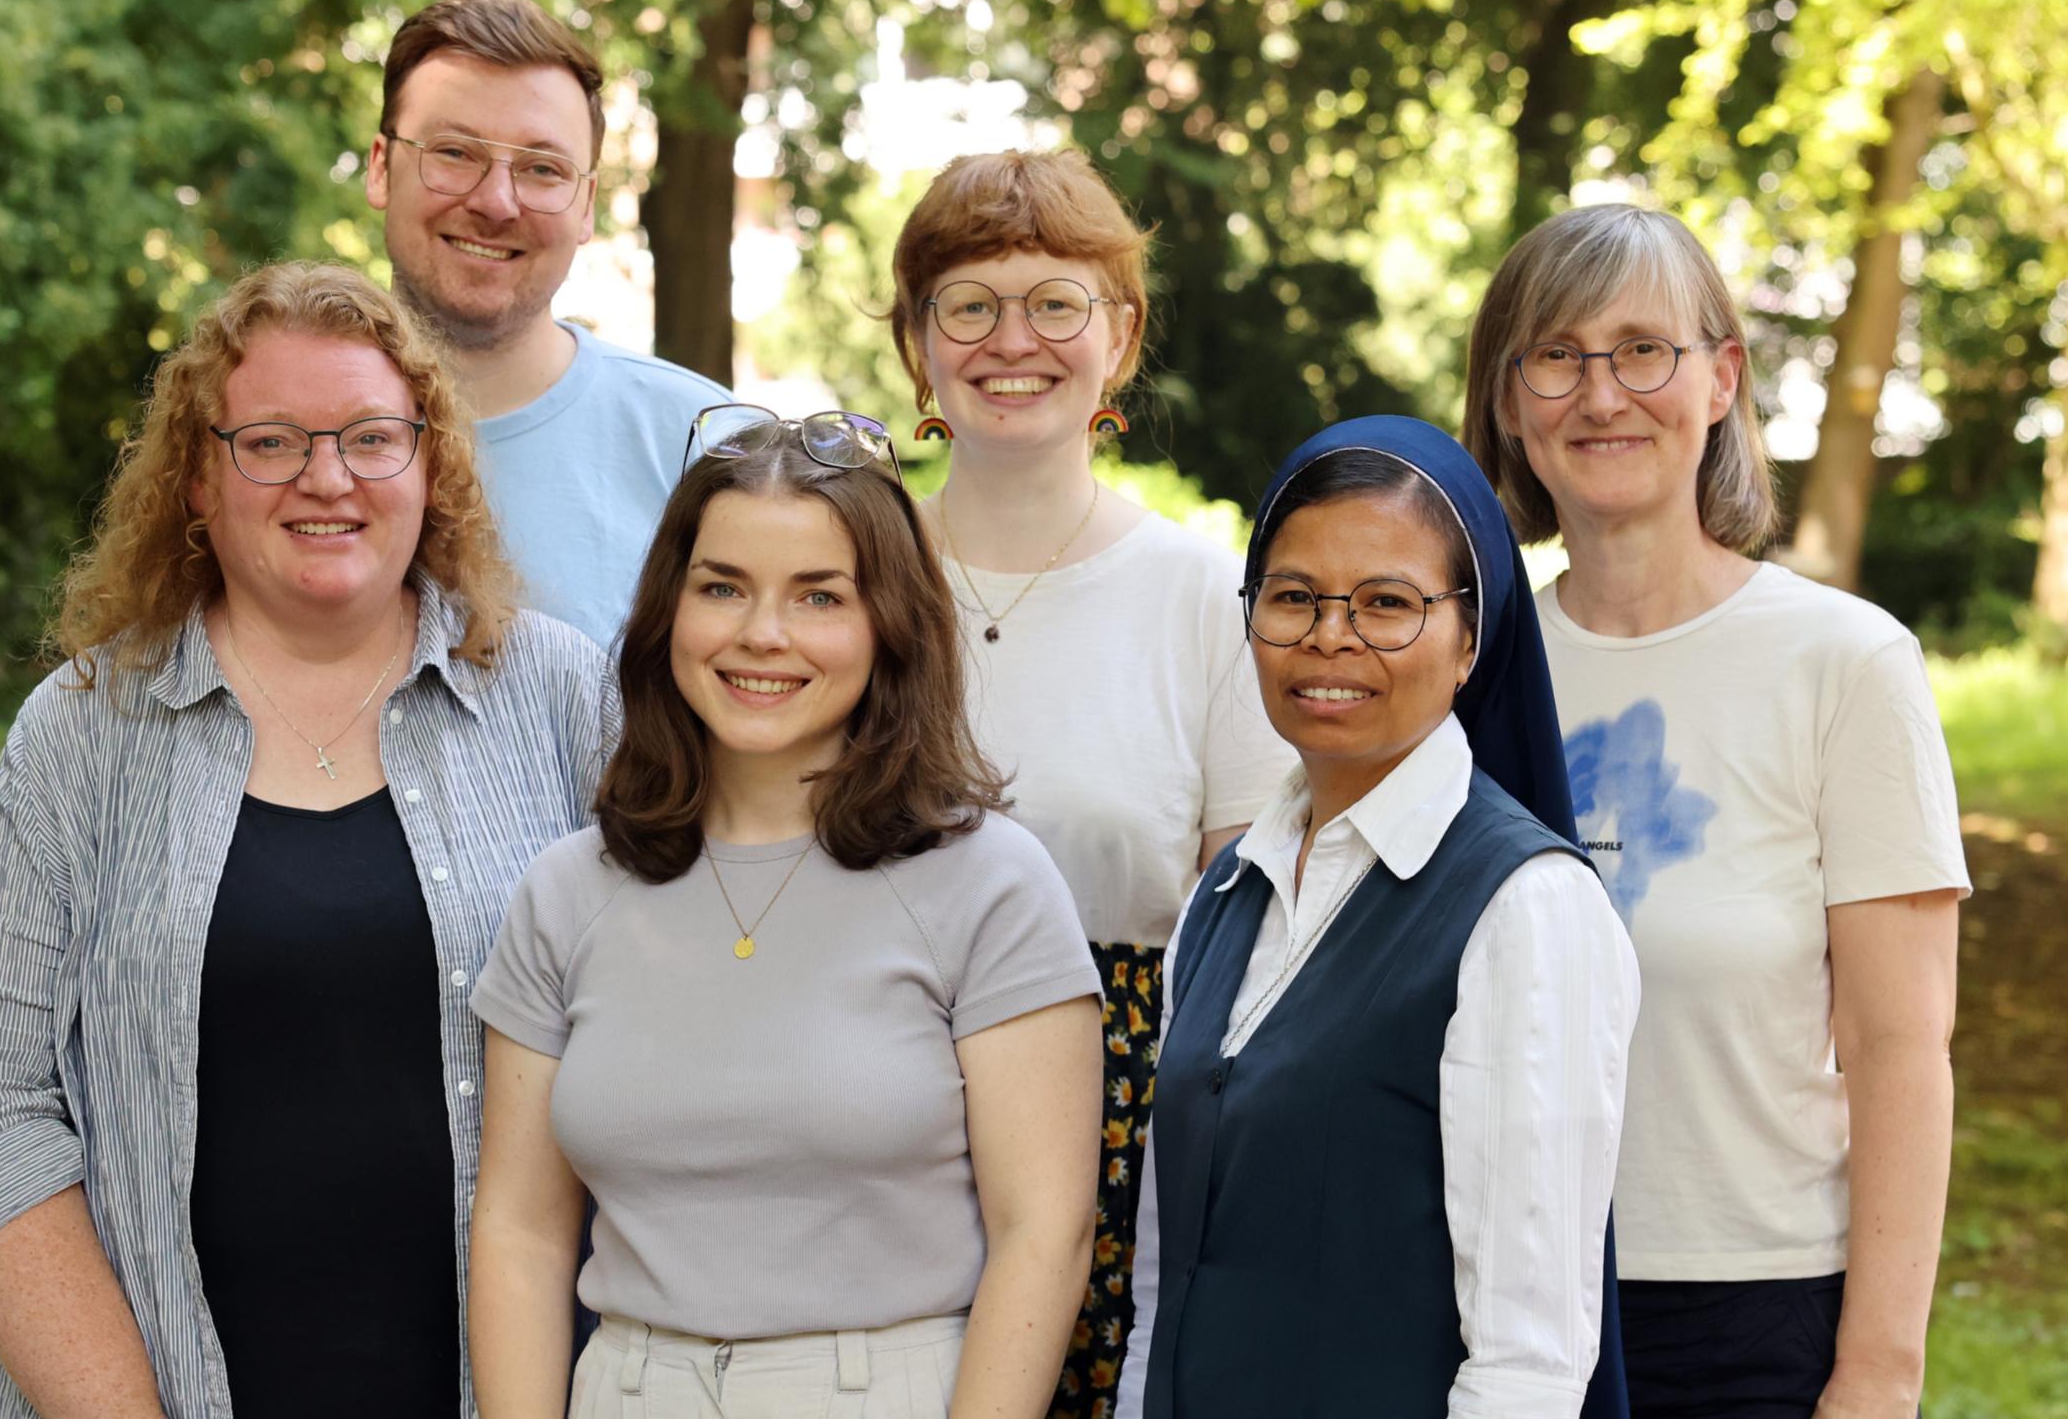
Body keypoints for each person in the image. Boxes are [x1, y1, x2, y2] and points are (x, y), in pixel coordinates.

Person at [0, 263, 613, 1419]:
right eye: (271, 441)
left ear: (429, 463)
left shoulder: (558, 695)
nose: (325, 476)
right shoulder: (86, 730)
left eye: (371, 436)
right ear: (196, 477)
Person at [466, 406, 1104, 1418]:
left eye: (819, 595)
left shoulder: (991, 883)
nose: (762, 633)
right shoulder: (567, 891)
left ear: (888, 623)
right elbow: (520, 1228)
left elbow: (1046, 1231)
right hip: (629, 1387)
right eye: (723, 587)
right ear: (670, 608)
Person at [1462, 205, 1968, 1418]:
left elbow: (1904, 1051)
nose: (1602, 394)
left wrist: (1878, 1375)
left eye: (1644, 349)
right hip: (1501, 1306)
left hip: (1754, 1313)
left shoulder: (1845, 663)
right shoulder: (1468, 668)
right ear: (1511, 400)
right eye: (1557, 354)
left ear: (1721, 377)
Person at [1117, 416, 1640, 1417]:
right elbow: (1160, 1281)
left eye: (1387, 604)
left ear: (1469, 639)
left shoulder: (1524, 908)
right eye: (1293, 596)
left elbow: (1527, 1359)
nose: (1329, 636)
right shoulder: (1225, 892)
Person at [886, 149, 1294, 1412]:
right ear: (919, 342)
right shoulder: (845, 571)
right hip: (862, 1108)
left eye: (1057, 302)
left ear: (1118, 337)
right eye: (971, 303)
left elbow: (1251, 929)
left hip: (1116, 1145)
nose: (1016, 339)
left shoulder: (1203, 597)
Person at [367, 0, 730, 647]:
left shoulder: (706, 449)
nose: (497, 202)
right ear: (380, 168)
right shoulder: (269, 439)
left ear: (587, 203)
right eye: (454, 152)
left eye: (541, 169)